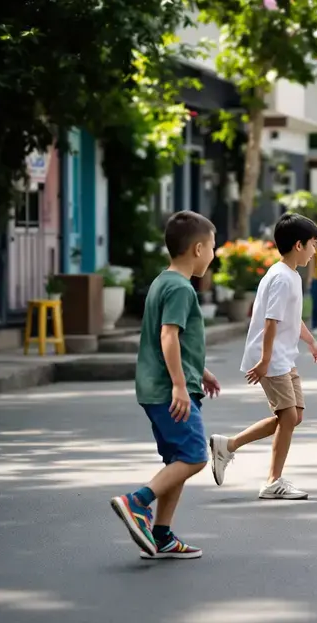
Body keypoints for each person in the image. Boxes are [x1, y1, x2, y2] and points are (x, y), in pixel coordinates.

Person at [110, 211, 221, 559]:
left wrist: (199, 372)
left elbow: (178, 341)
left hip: (160, 385)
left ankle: (162, 534)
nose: (215, 255)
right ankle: (137, 502)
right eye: (213, 247)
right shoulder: (180, 288)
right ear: (198, 248)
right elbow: (168, 335)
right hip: (169, 389)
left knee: (177, 460)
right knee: (194, 457)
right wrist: (179, 385)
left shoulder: (163, 281)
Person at [209, 214, 317, 500]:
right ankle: (273, 481)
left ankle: (229, 445)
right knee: (287, 416)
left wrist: (312, 343)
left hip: (283, 356)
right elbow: (271, 321)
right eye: (313, 245)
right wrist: (263, 361)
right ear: (298, 245)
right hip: (271, 356)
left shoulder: (290, 275)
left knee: (294, 416)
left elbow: (291, 318)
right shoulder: (281, 278)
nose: (314, 251)